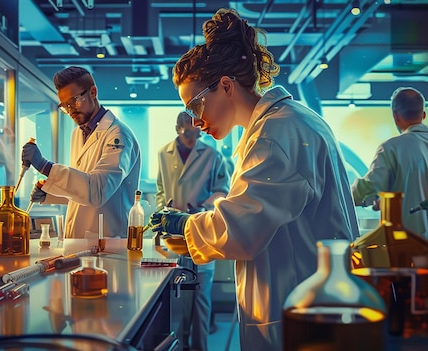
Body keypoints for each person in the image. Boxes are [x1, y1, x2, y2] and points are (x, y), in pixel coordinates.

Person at [150, 8, 359, 351]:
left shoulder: (276, 132)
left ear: (227, 86)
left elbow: (242, 228)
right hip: (302, 301)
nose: (195, 122)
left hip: (298, 313)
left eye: (196, 107)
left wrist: (185, 227)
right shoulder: (280, 123)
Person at [21, 66, 141, 238]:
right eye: (65, 106)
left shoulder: (118, 136)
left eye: (75, 101)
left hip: (108, 243)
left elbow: (98, 192)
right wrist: (50, 193)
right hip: (81, 242)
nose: (70, 111)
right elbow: (82, 188)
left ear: (93, 92)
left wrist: (46, 167)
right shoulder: (78, 133)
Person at [155, 111, 231, 351]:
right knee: (177, 296)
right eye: (188, 132)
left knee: (200, 297)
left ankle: (200, 348)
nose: (194, 137)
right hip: (174, 237)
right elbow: (160, 188)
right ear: (178, 128)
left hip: (202, 229)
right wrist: (163, 209)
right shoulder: (163, 153)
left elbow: (223, 190)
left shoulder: (212, 155)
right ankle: (180, 346)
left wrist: (203, 207)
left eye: (197, 131)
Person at [352, 87, 428, 237]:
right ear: (423, 115)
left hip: (408, 243)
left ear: (396, 116)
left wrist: (346, 195)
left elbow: (369, 187)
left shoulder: (392, 148)